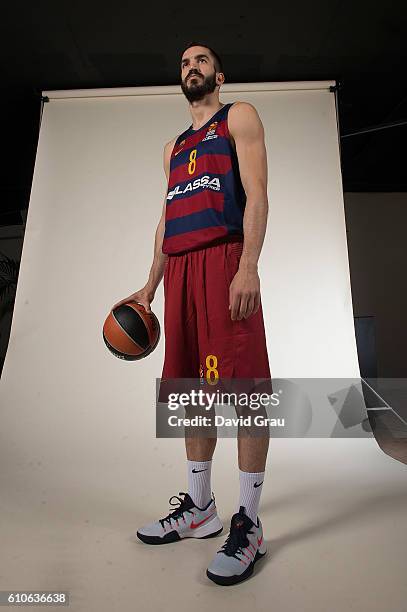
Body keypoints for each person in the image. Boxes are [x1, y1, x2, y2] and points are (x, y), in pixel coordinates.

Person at [111, 41, 271, 586]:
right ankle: (200, 508)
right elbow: (165, 222)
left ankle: (249, 520)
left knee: (246, 390)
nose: (190, 67)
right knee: (190, 392)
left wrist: (247, 265)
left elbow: (258, 193)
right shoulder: (174, 148)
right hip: (178, 271)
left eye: (200, 60)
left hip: (224, 260)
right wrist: (149, 289)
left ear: (219, 74)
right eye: (182, 62)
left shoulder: (238, 118)